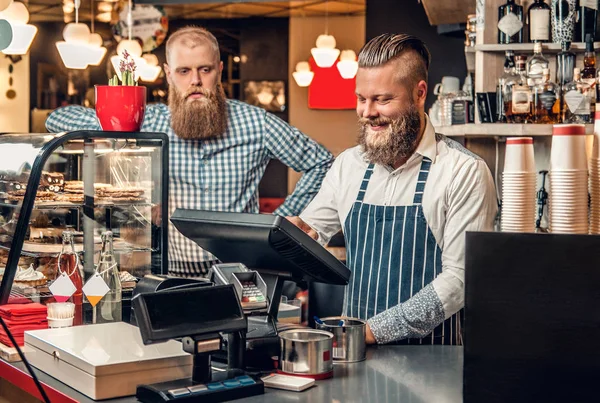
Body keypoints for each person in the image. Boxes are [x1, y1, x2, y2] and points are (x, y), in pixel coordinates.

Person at [45, 26, 334, 277]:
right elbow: (57, 119)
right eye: (184, 71)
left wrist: (276, 224)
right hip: (167, 268)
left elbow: (322, 162)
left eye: (204, 70)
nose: (195, 80)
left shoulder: (256, 123)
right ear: (169, 74)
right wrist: (118, 112)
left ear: (219, 71)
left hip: (241, 269)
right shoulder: (149, 120)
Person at [289, 33, 497, 345]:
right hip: (355, 353)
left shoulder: (463, 171)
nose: (367, 112)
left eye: (383, 100)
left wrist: (374, 331)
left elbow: (459, 281)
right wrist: (292, 238)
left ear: (419, 93)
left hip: (432, 361)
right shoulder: (348, 165)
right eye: (361, 99)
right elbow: (312, 232)